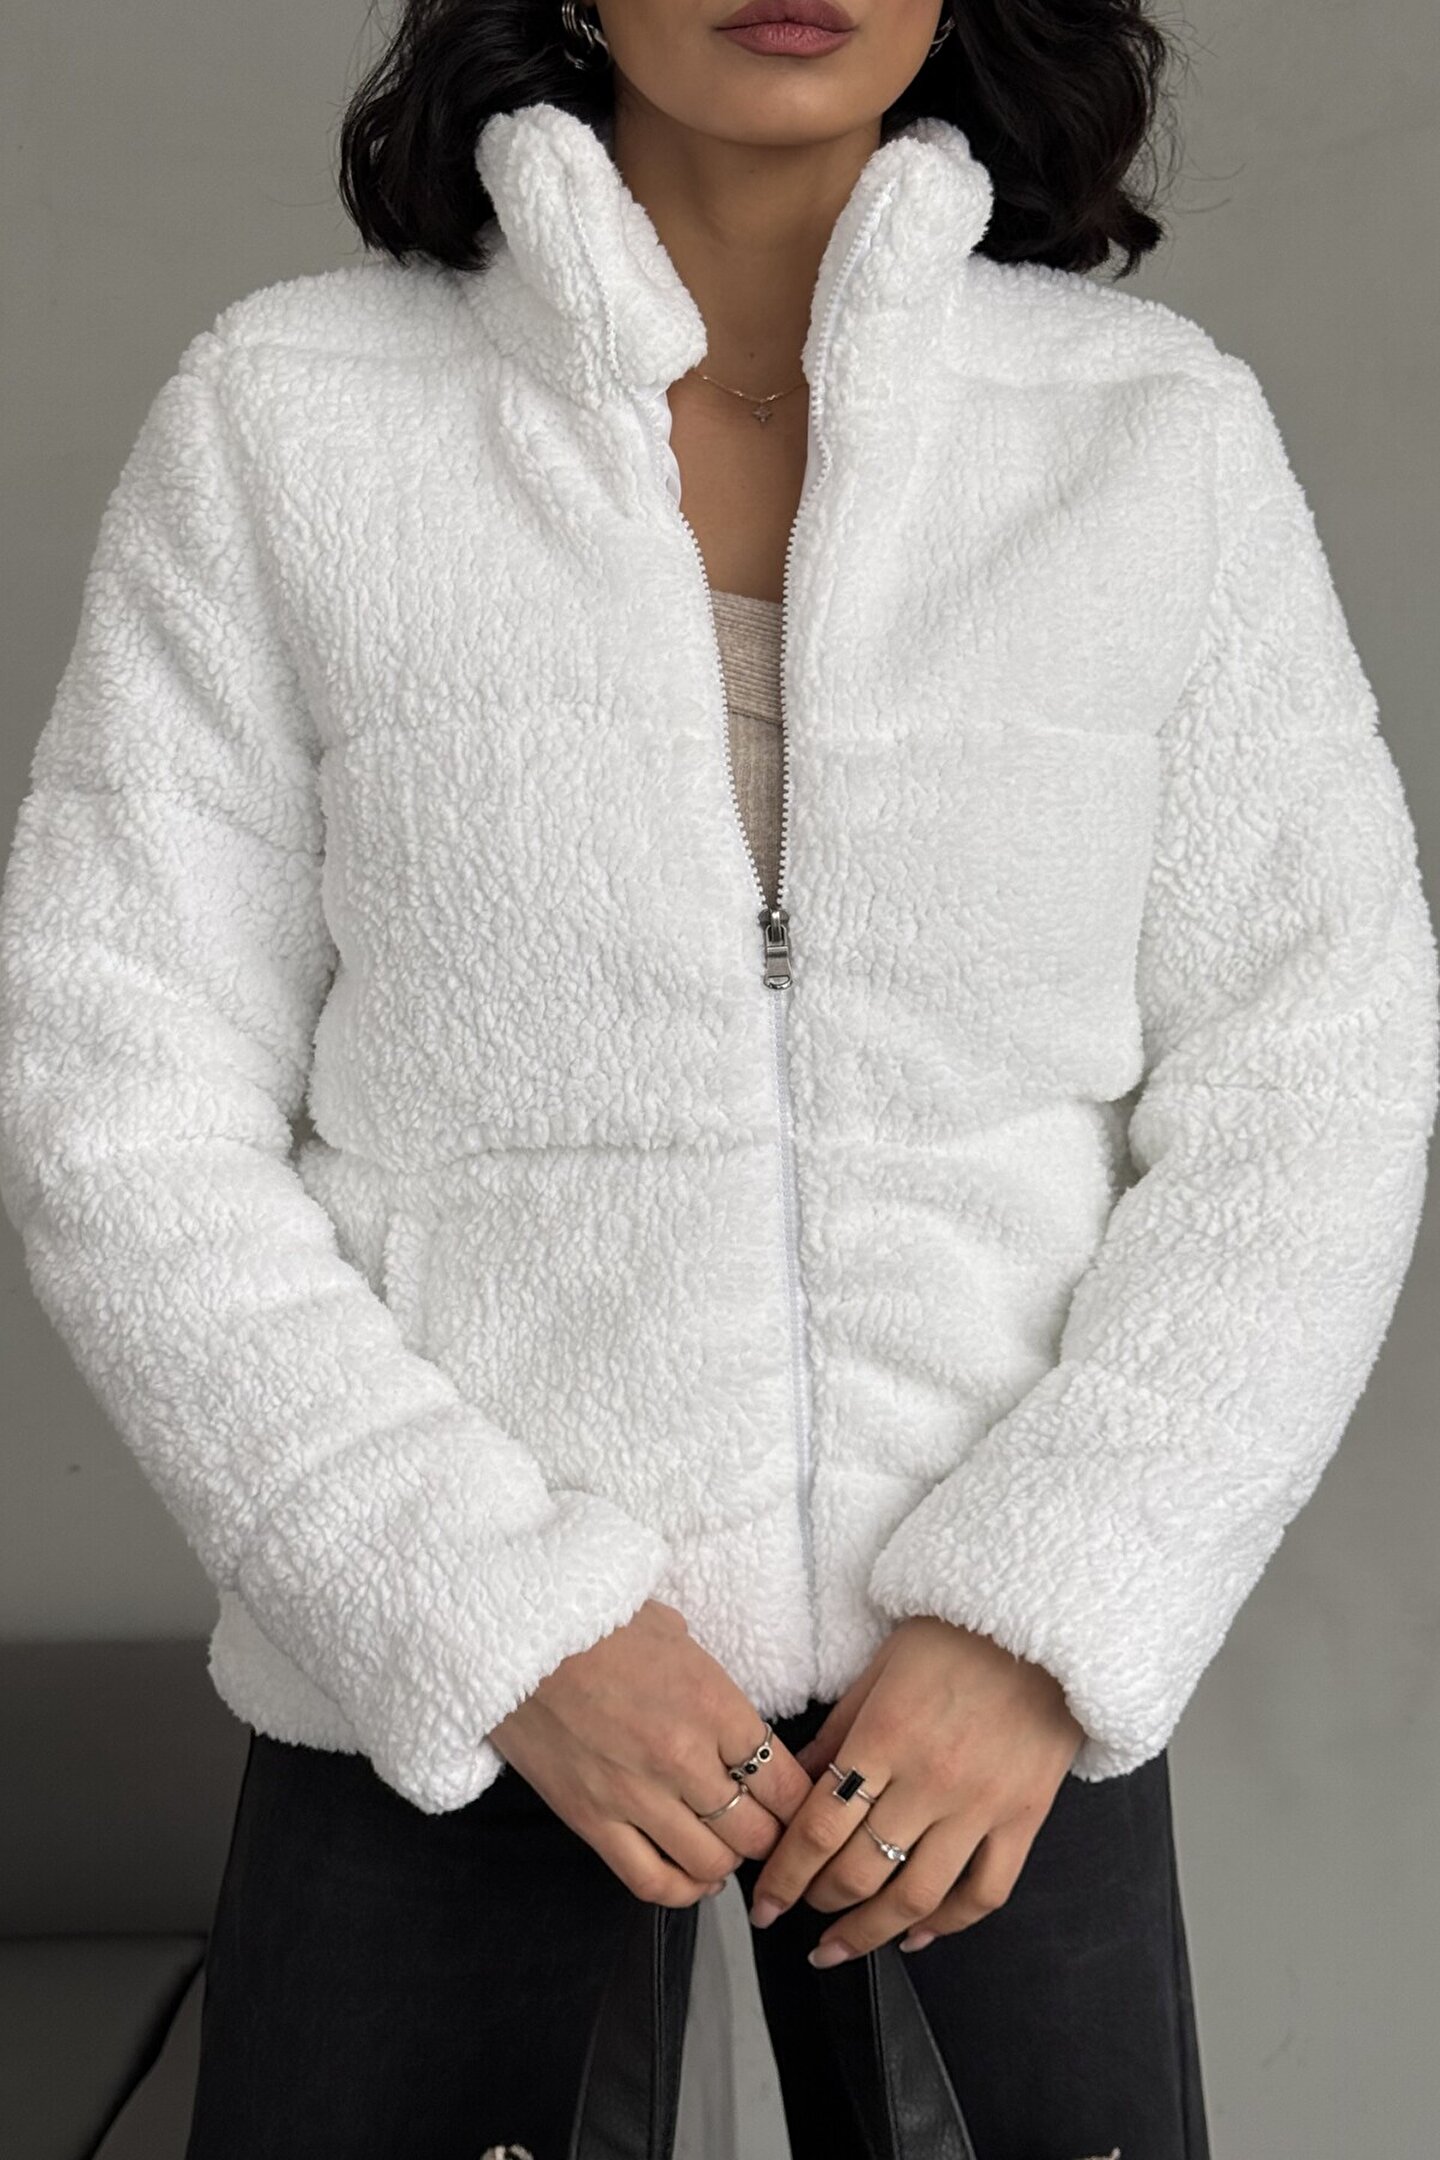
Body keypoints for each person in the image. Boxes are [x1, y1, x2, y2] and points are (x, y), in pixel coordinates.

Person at [0, 1, 1434, 2154]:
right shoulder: (290, 419)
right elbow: (116, 1096)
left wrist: (1047, 1612)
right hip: (460, 1683)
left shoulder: (1153, 438)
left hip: (974, 1717)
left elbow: (1312, 1080)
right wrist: (491, 1616)